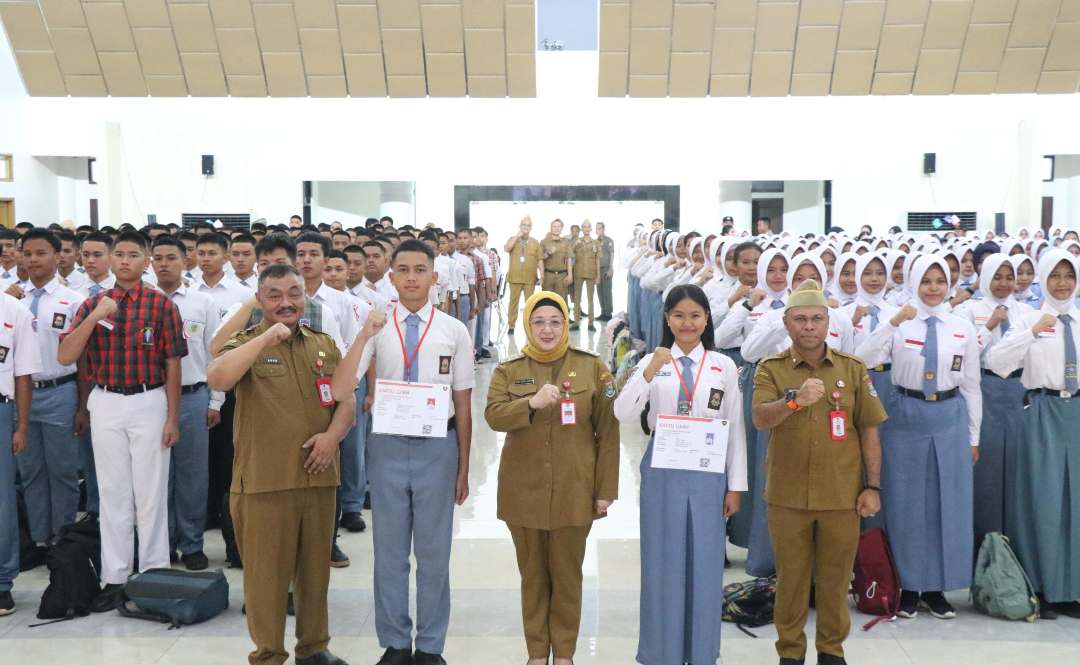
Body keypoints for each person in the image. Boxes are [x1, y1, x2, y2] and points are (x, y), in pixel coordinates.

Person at [209, 264, 370, 665]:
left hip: (318, 479)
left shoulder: (322, 344)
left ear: (305, 296)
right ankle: (268, 654)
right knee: (266, 579)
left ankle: (314, 649)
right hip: (265, 482)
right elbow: (218, 378)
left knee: (315, 575)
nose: (286, 302)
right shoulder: (247, 342)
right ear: (260, 300)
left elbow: (345, 399)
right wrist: (264, 338)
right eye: (275, 295)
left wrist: (332, 437)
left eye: (294, 293)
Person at [331, 239, 473, 665]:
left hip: (438, 447)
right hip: (388, 446)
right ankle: (394, 642)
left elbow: (464, 403)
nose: (412, 278)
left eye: (420, 270)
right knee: (389, 554)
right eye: (404, 270)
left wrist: (463, 467)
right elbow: (341, 388)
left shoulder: (453, 330)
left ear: (434, 277)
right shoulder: (377, 325)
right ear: (391, 277)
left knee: (434, 554)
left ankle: (430, 646)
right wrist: (363, 335)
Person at [751, 279, 886, 665]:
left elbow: (869, 430)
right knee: (791, 580)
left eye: (816, 319)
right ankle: (790, 653)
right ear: (786, 323)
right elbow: (760, 417)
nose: (808, 326)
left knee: (835, 581)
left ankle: (831, 651)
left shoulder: (852, 369)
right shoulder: (770, 369)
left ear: (828, 323)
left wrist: (873, 486)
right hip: (787, 497)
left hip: (841, 496)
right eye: (800, 319)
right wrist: (793, 402)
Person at [613, 284, 747, 665]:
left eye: (695, 316)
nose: (687, 323)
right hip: (664, 471)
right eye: (678, 316)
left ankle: (702, 652)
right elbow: (622, 412)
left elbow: (735, 426)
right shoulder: (652, 361)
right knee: (662, 562)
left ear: (706, 319)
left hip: (708, 470)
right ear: (667, 320)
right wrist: (648, 371)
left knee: (705, 564)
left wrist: (736, 486)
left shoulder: (722, 365)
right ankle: (662, 652)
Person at [485, 291, 620, 665]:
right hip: (523, 490)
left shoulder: (593, 367)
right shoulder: (509, 370)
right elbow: (493, 415)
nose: (547, 330)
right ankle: (535, 652)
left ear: (566, 325)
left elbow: (608, 432)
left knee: (567, 576)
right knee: (532, 576)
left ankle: (563, 653)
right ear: (527, 325)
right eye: (539, 322)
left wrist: (605, 490)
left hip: (575, 488)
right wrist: (529, 403)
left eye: (555, 322)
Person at [58, 230, 187, 612]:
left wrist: (173, 418)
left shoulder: (161, 305)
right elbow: (66, 356)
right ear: (111, 260)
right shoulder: (92, 304)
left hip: (149, 400)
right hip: (106, 401)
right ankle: (114, 577)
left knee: (150, 494)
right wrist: (96, 316)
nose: (126, 260)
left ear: (146, 262)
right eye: (120, 254)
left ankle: (153, 573)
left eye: (134, 255)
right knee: (113, 493)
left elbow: (173, 363)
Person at [855, 254, 981, 620]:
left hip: (949, 415)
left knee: (946, 501)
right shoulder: (901, 321)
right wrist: (892, 323)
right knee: (906, 503)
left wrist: (974, 436)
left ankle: (937, 589)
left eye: (940, 281)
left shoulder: (961, 327)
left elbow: (972, 385)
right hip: (906, 415)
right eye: (926, 281)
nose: (933, 288)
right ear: (913, 282)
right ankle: (908, 586)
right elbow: (863, 357)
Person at [985, 248, 1080, 619]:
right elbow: (997, 361)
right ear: (1042, 278)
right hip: (1041, 410)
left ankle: (1072, 589)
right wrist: (1031, 331)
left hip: (1077, 411)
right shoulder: (1027, 316)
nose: (1062, 283)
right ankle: (1043, 586)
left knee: (1075, 502)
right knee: (1043, 500)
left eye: (1068, 275)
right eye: (1054, 275)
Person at [151, 235, 222, 570]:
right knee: (157, 476)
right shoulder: (142, 300)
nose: (164, 264)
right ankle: (162, 544)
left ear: (185, 261)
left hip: (194, 396)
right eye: (158, 258)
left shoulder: (201, 302)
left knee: (192, 475)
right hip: (151, 398)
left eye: (171, 258)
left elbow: (215, 353)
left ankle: (192, 543)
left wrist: (216, 400)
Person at [953, 254, 1033, 548]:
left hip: (1018, 391)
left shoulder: (1026, 311)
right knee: (985, 473)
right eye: (997, 277)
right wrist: (988, 327)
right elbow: (961, 355)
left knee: (1018, 470)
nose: (1004, 283)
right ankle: (984, 546)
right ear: (984, 276)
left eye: (1009, 277)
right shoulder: (968, 310)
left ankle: (1017, 548)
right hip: (983, 390)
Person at [16, 229, 85, 551]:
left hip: (60, 391)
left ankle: (63, 538)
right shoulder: (12, 300)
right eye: (27, 253)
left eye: (41, 253)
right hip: (21, 394)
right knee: (30, 471)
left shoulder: (73, 301)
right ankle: (39, 539)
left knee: (62, 470)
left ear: (58, 256)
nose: (33, 259)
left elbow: (83, 359)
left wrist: (82, 406)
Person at [0, 284, 41, 616]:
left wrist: (22, 426)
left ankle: (2, 581)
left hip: (2, 408)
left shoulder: (15, 311)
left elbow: (23, 374)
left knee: (2, 501)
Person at [504, 216, 543, 335]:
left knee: (530, 303)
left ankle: (529, 325)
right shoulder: (513, 239)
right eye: (524, 225)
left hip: (530, 278)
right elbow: (507, 248)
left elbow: (540, 260)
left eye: (528, 225)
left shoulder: (535, 242)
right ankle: (511, 325)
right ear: (520, 226)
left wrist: (542, 276)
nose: (526, 227)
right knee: (513, 303)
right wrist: (517, 236)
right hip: (515, 278)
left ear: (531, 228)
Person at [570, 220, 600, 331]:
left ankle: (591, 323)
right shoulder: (576, 241)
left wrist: (598, 275)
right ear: (581, 229)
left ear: (591, 229)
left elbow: (597, 260)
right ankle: (576, 322)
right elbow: (570, 256)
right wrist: (574, 246)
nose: (586, 229)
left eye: (588, 227)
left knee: (590, 299)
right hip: (578, 273)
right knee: (577, 299)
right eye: (584, 227)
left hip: (591, 273)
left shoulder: (596, 242)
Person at [541, 219, 572, 302]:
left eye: (559, 226)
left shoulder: (566, 242)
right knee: (546, 300)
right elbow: (540, 259)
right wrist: (548, 253)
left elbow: (569, 259)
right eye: (554, 226)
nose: (556, 228)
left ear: (562, 228)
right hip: (548, 276)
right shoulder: (544, 242)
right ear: (551, 228)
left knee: (561, 301)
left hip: (562, 276)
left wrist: (570, 275)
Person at [596, 222, 615, 321]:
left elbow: (612, 254)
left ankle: (608, 313)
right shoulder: (595, 242)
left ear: (603, 229)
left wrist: (610, 268)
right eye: (597, 228)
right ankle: (603, 312)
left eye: (599, 228)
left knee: (607, 292)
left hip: (606, 268)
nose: (598, 230)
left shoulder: (609, 240)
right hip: (597, 270)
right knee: (600, 292)